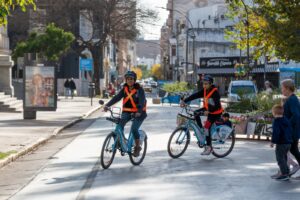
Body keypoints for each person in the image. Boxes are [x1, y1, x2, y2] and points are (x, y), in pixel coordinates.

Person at [103, 71, 147, 157]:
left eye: (131, 79)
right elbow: (116, 98)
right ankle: (120, 142)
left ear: (134, 80)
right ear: (126, 80)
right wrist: (107, 105)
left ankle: (137, 147)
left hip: (139, 113)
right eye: (128, 79)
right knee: (119, 125)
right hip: (127, 112)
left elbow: (141, 102)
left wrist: (138, 111)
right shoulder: (124, 89)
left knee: (134, 129)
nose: (129, 80)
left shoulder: (139, 90)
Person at [180, 75, 223, 155]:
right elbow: (195, 95)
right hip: (208, 109)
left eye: (206, 84)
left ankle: (209, 147)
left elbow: (217, 106)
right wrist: (185, 101)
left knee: (207, 127)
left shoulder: (215, 92)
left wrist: (209, 111)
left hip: (215, 112)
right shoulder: (204, 90)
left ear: (210, 84)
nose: (204, 85)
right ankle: (201, 130)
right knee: (196, 113)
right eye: (203, 84)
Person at [281, 79, 300, 176]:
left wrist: (286, 124)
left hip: (292, 131)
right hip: (292, 130)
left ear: (288, 88)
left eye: (283, 88)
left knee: (289, 150)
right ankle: (285, 170)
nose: (282, 90)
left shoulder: (292, 99)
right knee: (292, 150)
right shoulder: (291, 99)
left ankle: (285, 171)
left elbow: (296, 115)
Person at [270, 104, 292, 181]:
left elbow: (276, 132)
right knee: (284, 158)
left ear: (274, 113)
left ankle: (284, 174)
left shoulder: (276, 121)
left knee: (280, 158)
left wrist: (273, 141)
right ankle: (287, 171)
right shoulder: (286, 119)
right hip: (288, 142)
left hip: (281, 143)